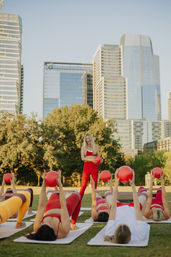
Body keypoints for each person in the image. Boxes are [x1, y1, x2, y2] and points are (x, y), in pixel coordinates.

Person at [25, 170, 81, 241]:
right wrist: (60, 184)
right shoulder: (63, 231)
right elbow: (63, 206)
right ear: (53, 230)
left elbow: (41, 206)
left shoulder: (37, 227)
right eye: (49, 224)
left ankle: (55, 190)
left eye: (44, 223)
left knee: (54, 194)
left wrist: (43, 184)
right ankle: (73, 225)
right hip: (65, 209)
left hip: (50, 207)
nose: (47, 222)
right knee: (77, 195)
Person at [104, 171, 149, 244]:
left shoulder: (109, 233)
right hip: (132, 207)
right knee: (144, 195)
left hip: (118, 207)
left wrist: (116, 185)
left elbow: (113, 210)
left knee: (107, 194)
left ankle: (141, 216)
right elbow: (137, 208)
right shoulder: (140, 235)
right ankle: (143, 192)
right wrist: (133, 186)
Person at [80, 133, 102, 199]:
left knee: (94, 185)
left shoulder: (96, 147)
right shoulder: (83, 148)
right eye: (86, 139)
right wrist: (92, 159)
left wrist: (100, 160)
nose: (88, 140)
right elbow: (83, 158)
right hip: (86, 167)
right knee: (83, 185)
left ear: (91, 139)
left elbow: (98, 157)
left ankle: (94, 202)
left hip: (94, 167)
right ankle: (79, 200)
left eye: (89, 138)